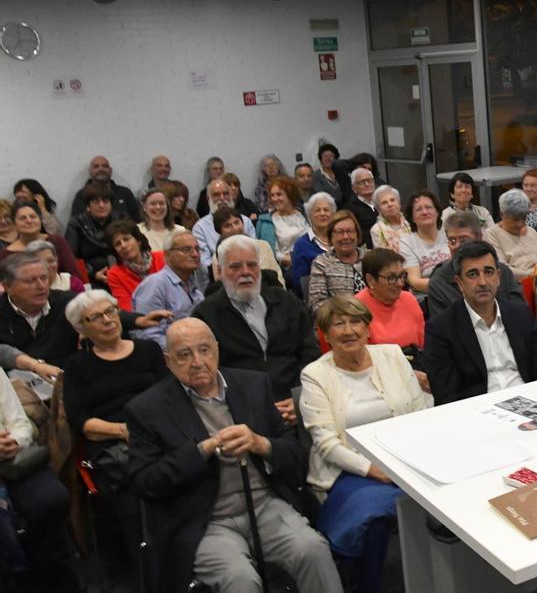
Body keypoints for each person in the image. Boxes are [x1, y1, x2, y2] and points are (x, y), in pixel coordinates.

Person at [125, 318, 343, 593]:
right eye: (184, 355)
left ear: (216, 349)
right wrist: (202, 450)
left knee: (314, 551)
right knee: (240, 581)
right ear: (168, 361)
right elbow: (145, 481)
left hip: (265, 505)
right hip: (206, 520)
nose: (197, 361)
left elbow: (296, 455)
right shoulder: (147, 409)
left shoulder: (252, 384)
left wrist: (260, 443)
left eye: (204, 350)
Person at [299, 295, 428, 593]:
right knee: (376, 521)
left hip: (405, 460)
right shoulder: (315, 375)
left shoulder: (393, 355)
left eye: (355, 321)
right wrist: (376, 470)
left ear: (368, 328)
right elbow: (326, 444)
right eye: (338, 324)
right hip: (350, 472)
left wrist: (410, 460)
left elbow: (421, 413)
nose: (348, 331)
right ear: (326, 334)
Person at [63, 290, 168, 587]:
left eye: (110, 311)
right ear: (82, 329)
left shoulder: (147, 350)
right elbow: (82, 421)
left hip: (157, 432)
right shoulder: (77, 366)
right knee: (130, 490)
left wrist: (152, 430)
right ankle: (147, 572)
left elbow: (170, 395)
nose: (108, 320)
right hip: (112, 444)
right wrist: (123, 430)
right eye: (96, 317)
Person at [192, 235, 320, 426]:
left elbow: (310, 355)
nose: (245, 273)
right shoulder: (206, 315)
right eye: (235, 267)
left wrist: (300, 398)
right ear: (219, 271)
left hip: (298, 402)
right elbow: (210, 375)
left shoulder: (286, 302)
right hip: (241, 412)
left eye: (252, 265)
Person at [423, 241, 537, 405]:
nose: (483, 282)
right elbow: (446, 395)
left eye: (489, 272)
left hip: (530, 401)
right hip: (480, 411)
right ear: (459, 283)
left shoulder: (520, 314)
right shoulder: (441, 328)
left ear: (498, 277)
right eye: (472, 274)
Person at [0, 252, 168, 375]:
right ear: (8, 286)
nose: (41, 286)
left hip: (67, 375)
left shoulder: (64, 301)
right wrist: (34, 365)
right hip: (18, 384)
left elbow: (99, 310)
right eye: (30, 281)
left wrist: (139, 320)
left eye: (43, 278)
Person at [0, 371, 74, 591]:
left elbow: (20, 423)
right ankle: (16, 577)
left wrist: (15, 441)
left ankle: (47, 575)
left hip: (11, 460)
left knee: (52, 499)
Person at [426, 210, 524, 319]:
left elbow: (520, 314)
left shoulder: (502, 271)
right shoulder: (439, 282)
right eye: (452, 241)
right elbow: (442, 328)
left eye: (463, 240)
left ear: (479, 237)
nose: (457, 246)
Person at [131, 231, 208, 349]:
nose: (195, 254)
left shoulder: (194, 285)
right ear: (167, 255)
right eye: (186, 249)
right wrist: (182, 352)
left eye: (197, 249)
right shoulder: (155, 284)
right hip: (170, 356)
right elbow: (148, 334)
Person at [355, 249, 424, 350]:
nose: (400, 283)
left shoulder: (409, 299)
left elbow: (423, 343)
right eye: (391, 278)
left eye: (401, 276)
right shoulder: (356, 309)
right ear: (370, 280)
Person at [1, 200, 81, 282]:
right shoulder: (6, 254)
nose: (29, 221)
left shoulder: (57, 241)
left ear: (40, 220)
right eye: (22, 218)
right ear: (14, 224)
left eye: (33, 217)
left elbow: (74, 275)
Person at [66, 183, 130, 287]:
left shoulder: (123, 219)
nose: (101, 205)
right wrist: (93, 275)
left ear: (111, 204)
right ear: (88, 206)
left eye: (105, 201)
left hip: (125, 273)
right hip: (91, 279)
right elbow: (72, 258)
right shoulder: (76, 224)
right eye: (96, 202)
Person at [484, 189, 537, 280]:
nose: (520, 224)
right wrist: (532, 274)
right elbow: (502, 269)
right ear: (502, 215)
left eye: (523, 218)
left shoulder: (531, 231)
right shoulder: (492, 234)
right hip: (518, 285)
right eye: (515, 219)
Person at [308, 211, 366, 312]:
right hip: (339, 320)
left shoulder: (369, 258)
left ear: (357, 234)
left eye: (350, 231)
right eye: (340, 232)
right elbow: (316, 304)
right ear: (331, 236)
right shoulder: (322, 263)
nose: (346, 237)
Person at [192, 179, 256, 269]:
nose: (222, 198)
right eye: (216, 195)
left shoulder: (245, 221)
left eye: (226, 194)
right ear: (208, 198)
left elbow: (253, 250)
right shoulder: (200, 228)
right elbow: (204, 262)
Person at [212, 207, 284, 283]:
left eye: (237, 222)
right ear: (220, 232)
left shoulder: (263, 246)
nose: (235, 228)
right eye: (227, 226)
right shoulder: (219, 256)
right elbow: (223, 284)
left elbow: (278, 276)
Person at [105, 220, 165, 311]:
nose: (123, 245)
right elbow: (126, 307)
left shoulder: (162, 257)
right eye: (118, 244)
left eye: (126, 239)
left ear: (138, 240)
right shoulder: (114, 274)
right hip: (144, 319)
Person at [398, 191, 450, 294]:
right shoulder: (406, 243)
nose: (425, 212)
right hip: (427, 297)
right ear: (412, 217)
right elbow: (415, 282)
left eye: (429, 207)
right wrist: (450, 285)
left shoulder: (450, 233)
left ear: (437, 212)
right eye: (418, 209)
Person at [256, 176, 309, 270]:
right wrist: (292, 259)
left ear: (290, 195)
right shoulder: (266, 222)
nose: (275, 199)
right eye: (272, 195)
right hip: (285, 268)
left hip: (308, 260)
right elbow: (269, 252)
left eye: (279, 194)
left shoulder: (303, 215)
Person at [70, 155, 142, 221]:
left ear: (110, 170)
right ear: (90, 171)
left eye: (105, 166)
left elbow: (137, 221)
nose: (101, 169)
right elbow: (76, 223)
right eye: (96, 166)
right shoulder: (82, 195)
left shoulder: (125, 193)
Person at [290, 193, 336, 291]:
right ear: (310, 216)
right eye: (317, 210)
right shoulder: (302, 245)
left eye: (326, 210)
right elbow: (299, 283)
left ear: (333, 214)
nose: (322, 213)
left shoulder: (340, 238)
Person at [137, 187, 188, 252]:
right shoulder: (138, 231)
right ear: (144, 207)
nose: (158, 207)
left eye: (161, 203)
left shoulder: (180, 231)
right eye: (153, 203)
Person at [369, 185, 411, 254]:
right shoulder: (376, 230)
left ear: (399, 203)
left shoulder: (410, 222)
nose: (390, 204)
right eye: (384, 203)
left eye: (392, 200)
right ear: (379, 209)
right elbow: (383, 257)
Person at [343, 168, 378, 248]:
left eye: (369, 180)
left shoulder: (382, 201)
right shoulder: (349, 209)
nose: (367, 184)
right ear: (354, 188)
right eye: (362, 182)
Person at [312, 140, 349, 205]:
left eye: (331, 156)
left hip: (345, 206)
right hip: (325, 207)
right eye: (325, 156)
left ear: (335, 158)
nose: (328, 158)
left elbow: (348, 192)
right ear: (320, 159)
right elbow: (320, 195)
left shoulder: (342, 173)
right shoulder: (316, 175)